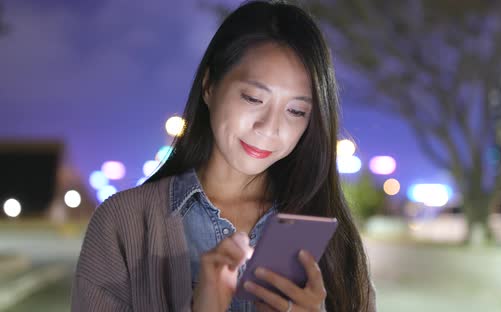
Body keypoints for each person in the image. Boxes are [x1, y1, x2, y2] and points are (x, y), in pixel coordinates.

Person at [71, 1, 375, 311]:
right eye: (253, 98)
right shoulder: (124, 224)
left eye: (296, 111)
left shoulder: (332, 235)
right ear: (209, 86)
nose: (270, 128)